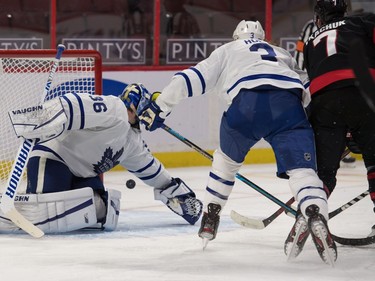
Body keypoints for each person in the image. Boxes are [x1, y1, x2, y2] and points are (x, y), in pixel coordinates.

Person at [136, 20, 337, 265]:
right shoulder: (282, 54)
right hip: (288, 104)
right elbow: (310, 86)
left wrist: (160, 107)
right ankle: (314, 211)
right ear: (263, 37)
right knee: (303, 172)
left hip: (246, 105)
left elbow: (189, 79)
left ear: (235, 37)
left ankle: (211, 214)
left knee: (226, 162)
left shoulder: (228, 51)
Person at [0, 84, 203, 234]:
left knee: (102, 212)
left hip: (83, 175)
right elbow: (71, 106)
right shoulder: (114, 109)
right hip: (54, 159)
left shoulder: (134, 143)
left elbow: (155, 173)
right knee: (44, 213)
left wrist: (182, 197)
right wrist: (37, 120)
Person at [303, 1, 375, 219]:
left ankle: (313, 212)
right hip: (363, 94)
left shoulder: (310, 42)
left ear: (319, 18)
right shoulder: (363, 22)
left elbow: (319, 81)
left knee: (324, 171)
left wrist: (346, 128)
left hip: (324, 103)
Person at [294, 17, 357, 167]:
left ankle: (330, 150)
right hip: (337, 78)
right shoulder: (349, 24)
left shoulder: (312, 25)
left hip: (321, 79)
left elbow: (300, 53)